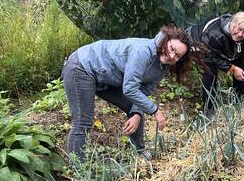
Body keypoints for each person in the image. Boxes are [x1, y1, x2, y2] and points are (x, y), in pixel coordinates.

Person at [62, 26, 192, 161]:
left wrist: (136, 113)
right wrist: (155, 111)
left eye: (178, 56)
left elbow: (144, 91)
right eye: (172, 49)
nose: (172, 56)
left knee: (135, 108)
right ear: (165, 40)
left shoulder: (163, 67)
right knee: (83, 121)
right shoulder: (143, 51)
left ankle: (140, 155)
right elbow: (130, 88)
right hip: (82, 67)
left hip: (106, 78)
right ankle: (77, 170)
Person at [189, 12, 244, 115]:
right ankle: (209, 110)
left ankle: (239, 100)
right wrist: (231, 68)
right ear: (233, 23)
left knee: (241, 69)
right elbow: (209, 57)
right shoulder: (214, 34)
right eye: (239, 29)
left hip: (219, 48)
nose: (240, 34)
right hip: (198, 45)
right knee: (210, 73)